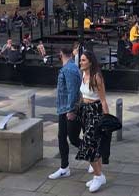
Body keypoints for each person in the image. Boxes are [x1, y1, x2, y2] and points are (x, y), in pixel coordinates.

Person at [76, 51, 109, 193]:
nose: (80, 62)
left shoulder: (97, 78)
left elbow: (103, 100)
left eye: (83, 60)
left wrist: (107, 118)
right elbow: (82, 95)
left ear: (90, 62)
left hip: (95, 112)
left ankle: (98, 175)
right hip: (85, 111)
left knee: (88, 145)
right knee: (93, 145)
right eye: (81, 60)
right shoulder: (83, 74)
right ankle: (99, 175)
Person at [48, 48, 82, 180]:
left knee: (73, 139)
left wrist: (71, 110)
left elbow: (73, 91)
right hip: (64, 109)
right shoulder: (69, 67)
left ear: (61, 54)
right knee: (62, 137)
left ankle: (94, 156)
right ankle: (64, 168)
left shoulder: (69, 69)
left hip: (69, 109)